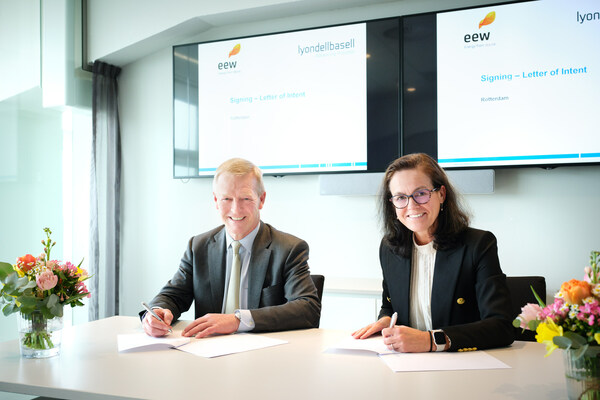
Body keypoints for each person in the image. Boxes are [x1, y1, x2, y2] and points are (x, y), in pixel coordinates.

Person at [142, 158, 321, 338]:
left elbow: (307, 308)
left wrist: (237, 320)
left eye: (245, 198)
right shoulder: (198, 247)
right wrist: (156, 313)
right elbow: (172, 296)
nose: (236, 210)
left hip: (264, 355)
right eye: (227, 198)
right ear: (216, 201)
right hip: (208, 354)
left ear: (261, 199)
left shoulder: (289, 249)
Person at [352, 153, 513, 352]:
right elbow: (390, 305)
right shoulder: (389, 247)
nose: (411, 205)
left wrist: (431, 340)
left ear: (442, 194)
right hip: (407, 365)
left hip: (463, 366)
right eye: (401, 197)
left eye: (421, 193)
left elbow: (501, 327)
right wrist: (385, 320)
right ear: (392, 204)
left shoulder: (478, 245)